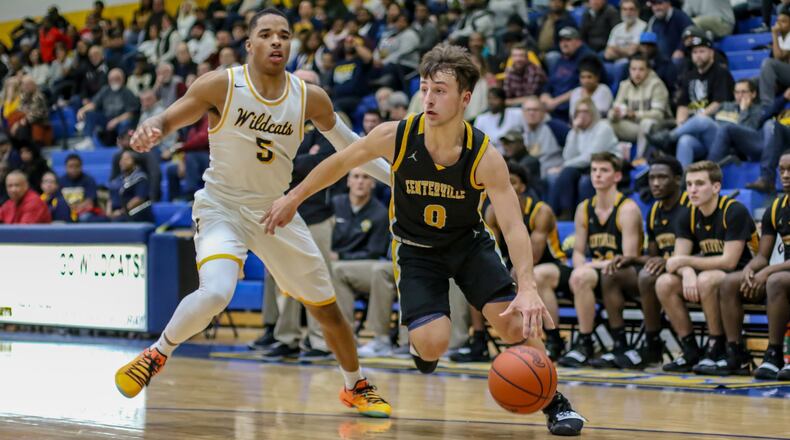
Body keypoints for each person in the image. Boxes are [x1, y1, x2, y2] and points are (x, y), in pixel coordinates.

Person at [262, 43, 585, 436]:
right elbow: (341, 162)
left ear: (465, 98)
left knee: (516, 326)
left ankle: (556, 403)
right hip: (416, 251)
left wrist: (529, 286)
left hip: (468, 245)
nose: (428, 98)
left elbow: (515, 226)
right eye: (425, 88)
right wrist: (293, 197)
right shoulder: (398, 135)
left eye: (440, 90)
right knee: (433, 344)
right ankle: (421, 347)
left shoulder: (484, 154)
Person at [114, 9, 392, 419]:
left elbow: (352, 146)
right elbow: (170, 116)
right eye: (266, 34)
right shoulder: (222, 85)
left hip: (274, 210)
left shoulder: (309, 97)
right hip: (221, 205)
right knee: (217, 291)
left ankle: (355, 385)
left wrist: (396, 180)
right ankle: (156, 355)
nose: (277, 41)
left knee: (327, 308)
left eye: (284, 34)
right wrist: (152, 125)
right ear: (250, 45)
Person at [656, 161, 758, 373]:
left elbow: (729, 261)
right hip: (711, 273)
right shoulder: (688, 214)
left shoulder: (734, 211)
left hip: (745, 275)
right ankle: (690, 348)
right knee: (664, 283)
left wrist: (687, 264)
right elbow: (676, 261)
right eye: (689, 184)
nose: (692, 189)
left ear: (716, 187)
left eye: (700, 183)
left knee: (707, 279)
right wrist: (687, 272)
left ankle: (717, 346)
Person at [556, 152, 644, 368]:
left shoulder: (628, 209)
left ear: (616, 176)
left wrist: (588, 267)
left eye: (604, 170)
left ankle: (588, 341)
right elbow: (577, 251)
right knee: (571, 276)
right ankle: (572, 341)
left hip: (624, 273)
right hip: (594, 272)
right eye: (594, 170)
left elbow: (629, 256)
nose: (597, 175)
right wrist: (579, 267)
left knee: (584, 275)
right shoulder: (583, 208)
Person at [603, 157, 689, 369]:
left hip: (688, 271)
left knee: (647, 276)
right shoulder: (654, 213)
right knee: (612, 273)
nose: (655, 183)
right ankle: (619, 344)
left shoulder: (690, 207)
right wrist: (632, 258)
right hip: (663, 270)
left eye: (662, 177)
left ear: (678, 180)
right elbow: (653, 256)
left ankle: (652, 343)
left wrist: (666, 261)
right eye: (652, 178)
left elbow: (698, 250)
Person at [750, 152, 790, 381]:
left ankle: (776, 350)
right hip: (784, 274)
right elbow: (762, 256)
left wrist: (767, 271)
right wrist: (751, 270)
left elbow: (770, 268)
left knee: (774, 280)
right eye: (782, 170)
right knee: (728, 283)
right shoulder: (775, 208)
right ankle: (728, 353)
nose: (785, 176)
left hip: (782, 275)